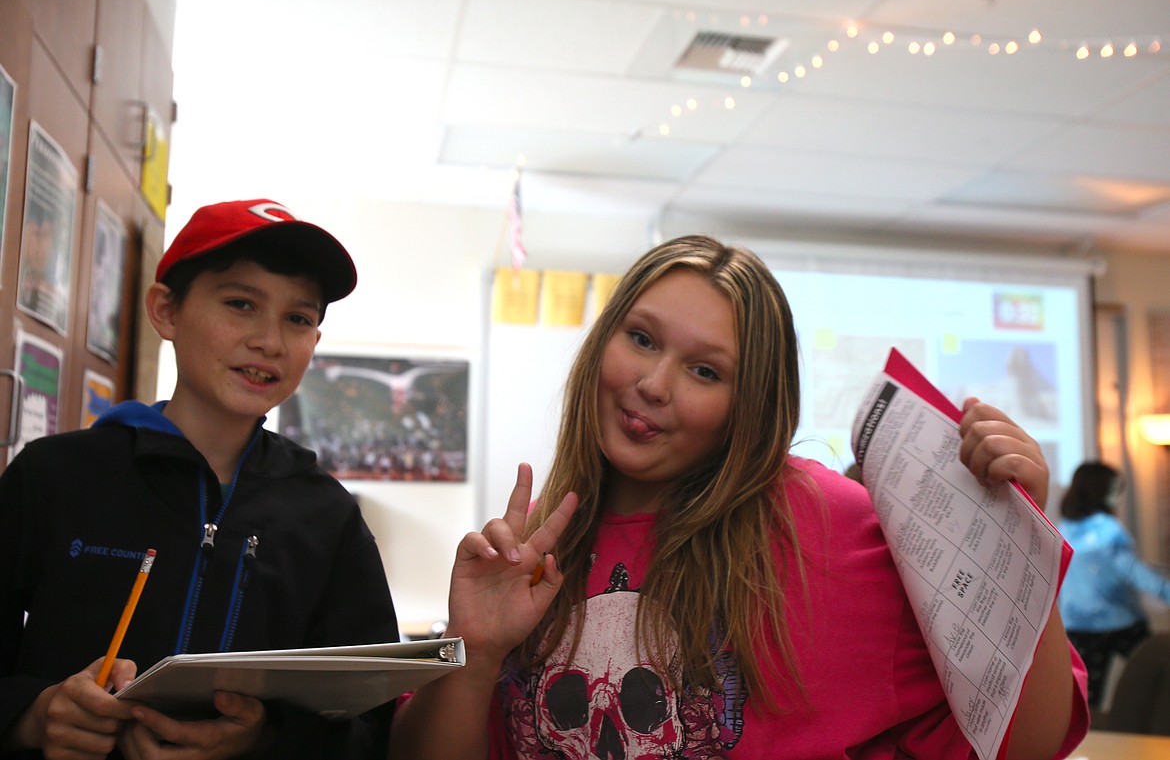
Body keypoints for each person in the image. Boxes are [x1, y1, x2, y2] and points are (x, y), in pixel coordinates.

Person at [390, 235, 1089, 760]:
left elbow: (1027, 742)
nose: (655, 384)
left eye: (703, 369)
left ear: (748, 403)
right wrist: (474, 655)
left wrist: (1013, 541)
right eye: (640, 338)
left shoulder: (834, 530)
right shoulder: (546, 541)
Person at [0, 199, 400, 760]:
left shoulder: (328, 517)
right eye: (241, 303)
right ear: (166, 310)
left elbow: (375, 726)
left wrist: (262, 740)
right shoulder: (54, 476)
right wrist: (33, 717)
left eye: (299, 318)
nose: (270, 341)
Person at [1057, 460, 1170, 709]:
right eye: (1113, 488)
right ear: (1100, 489)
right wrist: (1166, 592)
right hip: (1120, 622)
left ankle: (1090, 745)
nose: (1116, 495)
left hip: (1078, 625)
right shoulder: (1108, 529)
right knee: (1160, 671)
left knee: (1086, 700)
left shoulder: (1063, 528)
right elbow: (1133, 571)